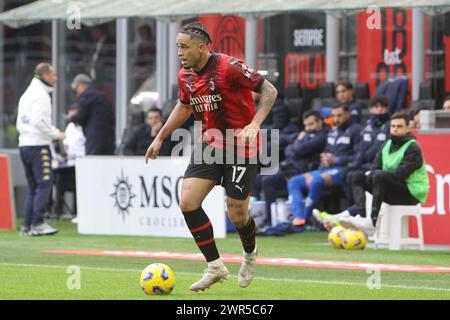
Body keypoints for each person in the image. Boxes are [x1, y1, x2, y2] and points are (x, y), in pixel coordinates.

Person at [144, 22, 278, 291]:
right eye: (177, 47)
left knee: (237, 215)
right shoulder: (186, 76)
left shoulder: (229, 67)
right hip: (210, 144)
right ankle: (215, 266)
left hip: (242, 146)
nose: (179, 52)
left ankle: (249, 255)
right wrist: (160, 137)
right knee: (187, 202)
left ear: (202, 47)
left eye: (184, 46)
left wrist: (254, 124)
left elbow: (269, 91)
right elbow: (183, 107)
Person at [339, 112, 429, 236]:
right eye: (393, 126)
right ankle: (362, 217)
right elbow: (375, 167)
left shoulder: (413, 148)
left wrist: (376, 174)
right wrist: (372, 175)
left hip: (411, 194)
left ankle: (372, 222)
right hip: (391, 188)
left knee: (379, 176)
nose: (395, 129)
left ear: (408, 128)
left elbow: (400, 174)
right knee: (357, 176)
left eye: (399, 126)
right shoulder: (387, 145)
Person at [315, 96, 390, 228]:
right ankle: (350, 215)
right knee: (348, 175)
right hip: (363, 165)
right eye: (376, 106)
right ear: (371, 108)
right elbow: (361, 150)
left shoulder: (389, 125)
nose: (379, 110)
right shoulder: (367, 126)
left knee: (354, 177)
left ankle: (347, 216)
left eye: (382, 107)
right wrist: (354, 163)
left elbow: (377, 149)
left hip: (378, 168)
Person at [287, 104, 362, 226]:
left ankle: (304, 220)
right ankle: (298, 217)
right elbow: (326, 151)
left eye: (339, 115)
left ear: (348, 114)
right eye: (334, 116)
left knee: (316, 181)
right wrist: (325, 160)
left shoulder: (357, 130)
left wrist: (336, 160)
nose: (336, 119)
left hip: (344, 169)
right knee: (294, 181)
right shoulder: (333, 131)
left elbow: (359, 157)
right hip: (327, 169)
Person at [253, 110, 328, 225]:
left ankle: (269, 219)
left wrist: (296, 143)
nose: (308, 128)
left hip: (300, 172)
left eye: (311, 124)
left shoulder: (322, 136)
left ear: (320, 122)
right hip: (287, 168)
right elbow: (287, 143)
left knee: (268, 180)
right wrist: (293, 146)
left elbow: (300, 149)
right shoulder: (305, 134)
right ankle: (257, 215)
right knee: (255, 179)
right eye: (306, 125)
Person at [16, 63, 64, 236]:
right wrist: (57, 134)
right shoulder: (41, 95)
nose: (56, 78)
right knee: (44, 184)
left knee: (33, 186)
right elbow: (39, 122)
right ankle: (38, 223)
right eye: (53, 74)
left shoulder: (27, 94)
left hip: (24, 144)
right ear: (45, 75)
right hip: (38, 145)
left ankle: (27, 226)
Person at [69, 74, 116, 155]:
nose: (76, 94)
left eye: (75, 90)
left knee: (93, 164)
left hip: (94, 141)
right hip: (108, 140)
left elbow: (80, 118)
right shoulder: (103, 96)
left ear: (80, 86)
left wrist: (71, 117)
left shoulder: (86, 95)